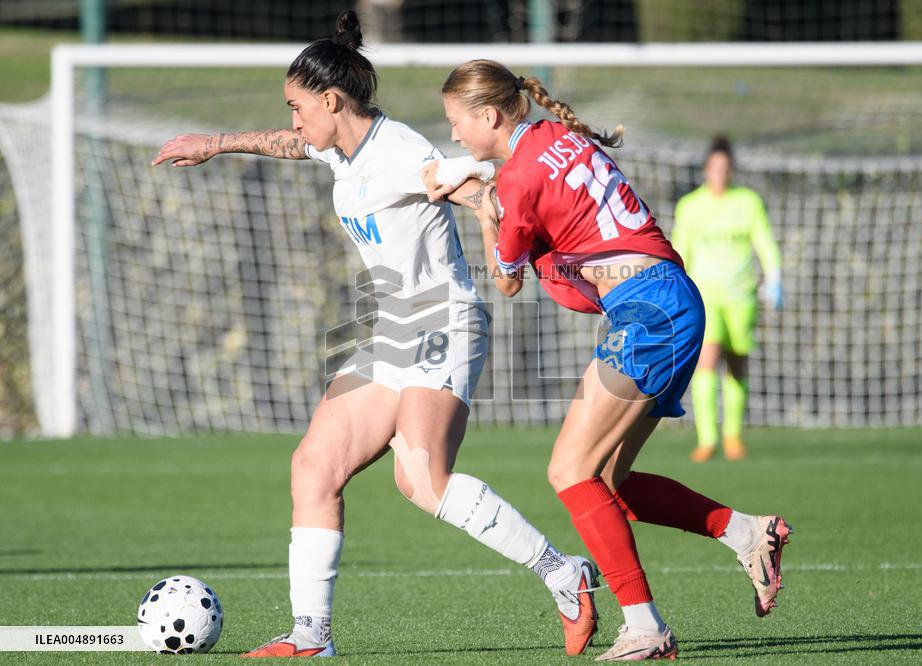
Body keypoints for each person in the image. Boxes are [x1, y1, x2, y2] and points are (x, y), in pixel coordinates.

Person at [152, 13, 599, 658]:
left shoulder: (400, 154)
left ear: (332, 102)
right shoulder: (338, 144)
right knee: (313, 465)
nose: (295, 118)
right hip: (396, 327)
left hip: (443, 317)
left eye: (298, 106)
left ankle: (564, 572)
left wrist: (500, 246)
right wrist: (216, 141)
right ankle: (311, 638)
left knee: (420, 477)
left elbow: (474, 185)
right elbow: (288, 143)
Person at [424, 59, 791, 661]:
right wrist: (486, 188)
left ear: (488, 115)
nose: (456, 134)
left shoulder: (517, 180)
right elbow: (539, 201)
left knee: (569, 472)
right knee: (611, 483)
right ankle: (746, 532)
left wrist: (486, 212)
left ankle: (645, 626)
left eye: (457, 122)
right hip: (671, 300)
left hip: (648, 313)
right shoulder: (554, 136)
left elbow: (509, 281)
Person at [672, 136, 783, 462]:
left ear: (730, 170)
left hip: (741, 295)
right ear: (707, 170)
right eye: (714, 168)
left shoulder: (747, 202)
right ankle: (707, 438)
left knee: (736, 362)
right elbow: (680, 249)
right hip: (706, 295)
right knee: (706, 358)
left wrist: (774, 277)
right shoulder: (690, 206)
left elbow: (764, 240)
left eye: (725, 168)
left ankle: (733, 435)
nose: (720, 174)